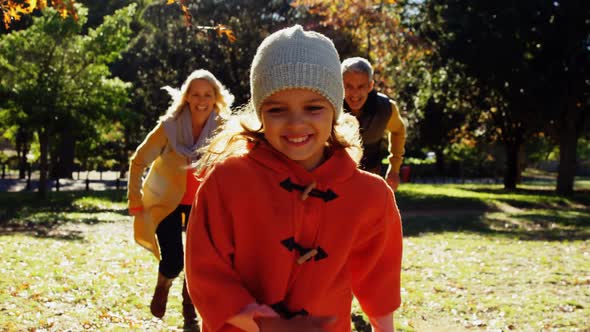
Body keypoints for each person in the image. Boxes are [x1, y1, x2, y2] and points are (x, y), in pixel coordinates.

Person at [185, 25, 403, 332]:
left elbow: (378, 276)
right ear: (260, 113)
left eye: (313, 107)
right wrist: (257, 318)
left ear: (335, 110)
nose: (296, 123)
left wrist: (384, 327)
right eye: (277, 109)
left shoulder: (371, 195)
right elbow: (204, 267)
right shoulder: (227, 181)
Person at [127, 69, 234, 330]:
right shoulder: (169, 127)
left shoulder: (223, 129)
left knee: (197, 262)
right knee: (174, 259)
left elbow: (237, 164)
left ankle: (190, 311)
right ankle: (164, 282)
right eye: (196, 94)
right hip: (168, 201)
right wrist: (135, 198)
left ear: (216, 98)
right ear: (186, 97)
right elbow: (138, 160)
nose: (201, 99)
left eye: (207, 94)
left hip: (204, 203)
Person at [341, 57, 406, 190]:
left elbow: (398, 130)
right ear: (340, 85)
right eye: (348, 86)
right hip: (336, 176)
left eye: (361, 86)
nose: (354, 93)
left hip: (370, 174)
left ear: (370, 86)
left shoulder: (386, 108)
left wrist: (394, 169)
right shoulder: (328, 107)